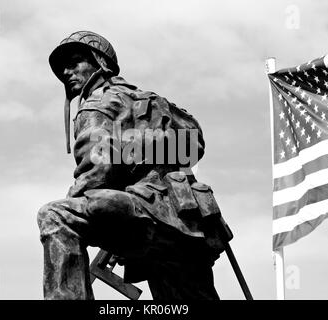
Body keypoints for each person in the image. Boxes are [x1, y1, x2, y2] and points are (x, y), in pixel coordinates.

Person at [37, 31, 232, 300]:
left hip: (147, 217)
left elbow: (95, 174)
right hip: (188, 225)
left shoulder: (98, 103)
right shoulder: (154, 101)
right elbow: (195, 145)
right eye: (63, 69)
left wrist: (122, 151)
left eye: (75, 62)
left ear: (99, 62)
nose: (67, 72)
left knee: (57, 215)